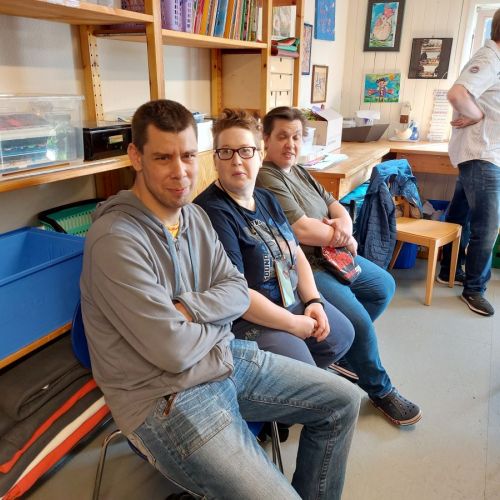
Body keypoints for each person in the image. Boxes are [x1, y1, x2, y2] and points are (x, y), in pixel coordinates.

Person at [80, 99, 361, 500]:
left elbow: (235, 289)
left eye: (187, 156)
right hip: (165, 398)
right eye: (163, 157)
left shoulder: (193, 217)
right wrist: (217, 319)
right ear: (136, 157)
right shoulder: (115, 240)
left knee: (344, 401)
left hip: (224, 359)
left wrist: (193, 311)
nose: (180, 172)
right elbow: (174, 351)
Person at [256, 106, 421, 427]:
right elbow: (302, 230)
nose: (290, 144)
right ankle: (380, 389)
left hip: (333, 254)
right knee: (359, 321)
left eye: (296, 137)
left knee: (383, 286)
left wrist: (343, 228)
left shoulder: (299, 171)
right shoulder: (267, 176)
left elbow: (336, 206)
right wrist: (343, 235)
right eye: (282, 137)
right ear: (266, 139)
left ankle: (344, 354)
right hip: (307, 266)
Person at [194, 108, 354, 371]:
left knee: (341, 336)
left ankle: (299, 383)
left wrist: (313, 301)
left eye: (246, 151)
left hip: (288, 296)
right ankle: (297, 383)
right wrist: (293, 324)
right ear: (215, 160)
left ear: (259, 156)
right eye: (226, 152)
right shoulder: (211, 212)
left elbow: (295, 252)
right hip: (246, 317)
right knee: (301, 366)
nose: (236, 161)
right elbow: (236, 293)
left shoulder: (266, 198)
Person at [437, 8, 500, 317]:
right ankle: (474, 289)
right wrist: (476, 115)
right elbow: (458, 94)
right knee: (487, 228)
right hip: (482, 156)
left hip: (480, 155)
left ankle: (449, 270)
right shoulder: (490, 59)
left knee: (459, 217)